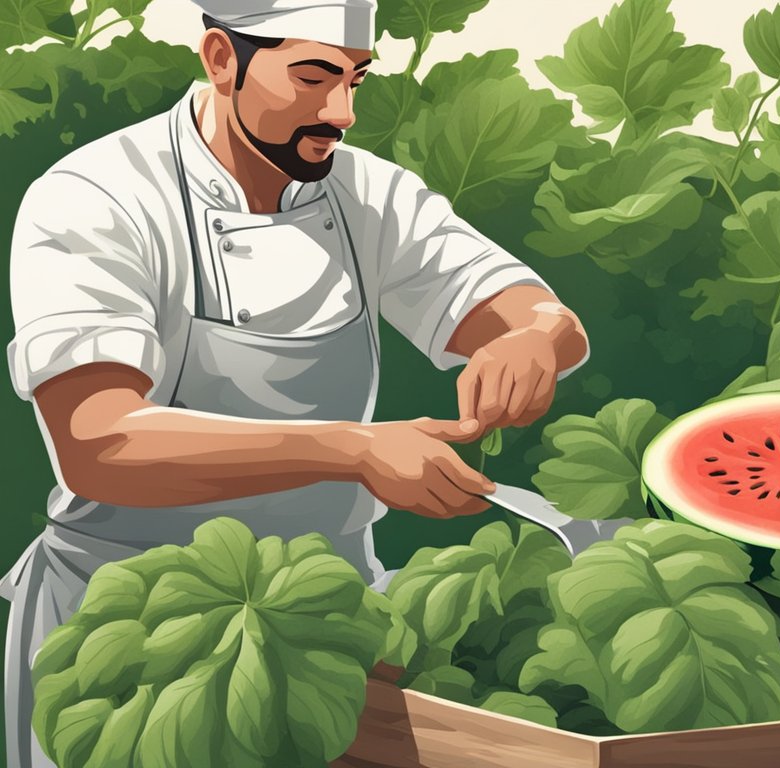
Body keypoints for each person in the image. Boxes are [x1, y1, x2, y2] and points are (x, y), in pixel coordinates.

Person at [1, 0, 590, 764]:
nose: (340, 112)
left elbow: (540, 315)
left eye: (355, 79)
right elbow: (97, 441)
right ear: (220, 58)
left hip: (329, 630)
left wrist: (534, 338)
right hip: (129, 642)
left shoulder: (365, 193)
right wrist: (352, 451)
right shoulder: (95, 198)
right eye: (312, 77)